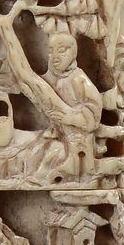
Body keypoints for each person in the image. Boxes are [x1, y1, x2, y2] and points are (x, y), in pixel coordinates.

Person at [43, 33, 102, 175]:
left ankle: (76, 170)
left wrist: (71, 118)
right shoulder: (55, 78)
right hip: (62, 133)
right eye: (50, 51)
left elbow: (93, 109)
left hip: (80, 134)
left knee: (60, 154)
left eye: (61, 51)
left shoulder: (78, 79)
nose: (55, 56)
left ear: (74, 53)